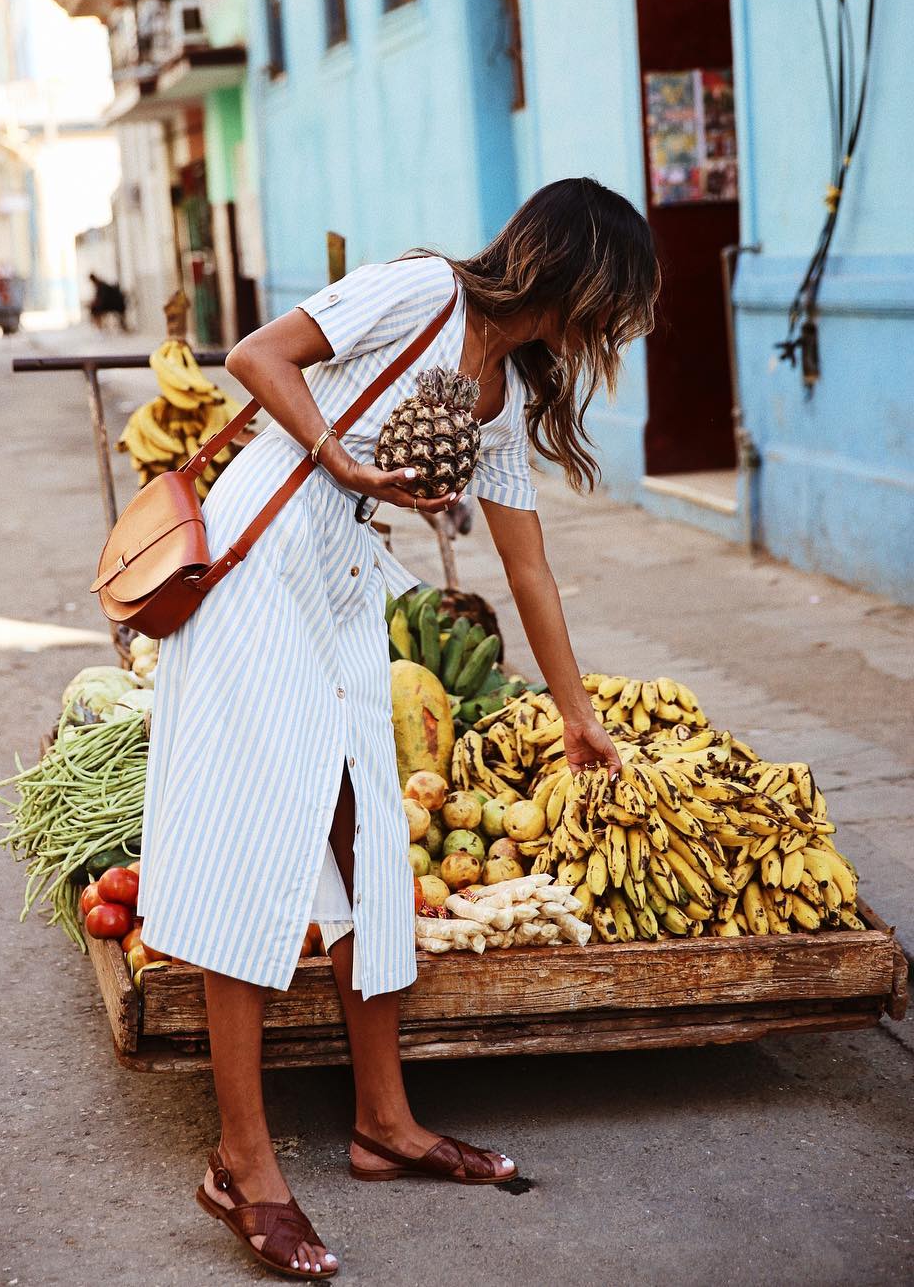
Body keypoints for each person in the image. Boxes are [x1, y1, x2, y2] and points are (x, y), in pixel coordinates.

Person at [137, 178, 660, 1279]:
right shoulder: (421, 288)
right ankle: (242, 1159)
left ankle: (383, 1119)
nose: (610, 328)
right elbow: (255, 354)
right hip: (256, 562)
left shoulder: (505, 393)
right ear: (570, 268)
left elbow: (528, 567)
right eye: (613, 300)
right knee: (256, 841)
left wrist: (575, 712)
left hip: (336, 586)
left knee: (368, 831)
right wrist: (338, 453)